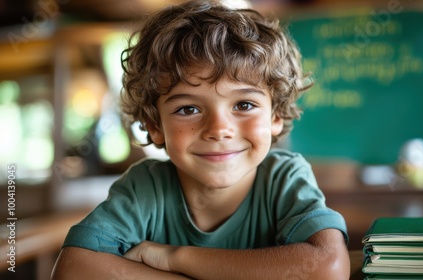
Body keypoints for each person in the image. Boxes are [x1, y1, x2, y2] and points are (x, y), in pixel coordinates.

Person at [51, 0, 350, 279]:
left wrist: (175, 258)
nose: (219, 129)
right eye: (188, 109)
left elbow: (328, 266)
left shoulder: (284, 177)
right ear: (154, 125)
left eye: (244, 105)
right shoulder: (146, 188)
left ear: (276, 116)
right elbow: (72, 268)